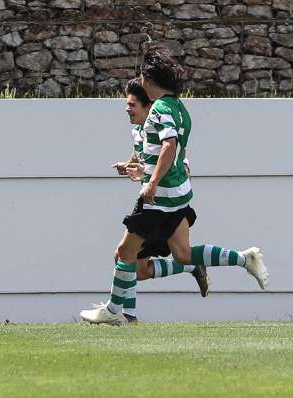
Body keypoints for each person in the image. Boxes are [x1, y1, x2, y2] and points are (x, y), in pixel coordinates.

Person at [81, 46, 269, 326]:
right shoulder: (180, 107)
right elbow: (170, 149)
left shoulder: (160, 108)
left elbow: (170, 145)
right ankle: (245, 258)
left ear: (150, 79)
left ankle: (116, 312)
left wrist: (152, 182)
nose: (141, 82)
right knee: (181, 254)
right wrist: (143, 168)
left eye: (143, 77)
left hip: (162, 197)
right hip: (179, 196)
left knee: (124, 253)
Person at [111, 78, 209, 324]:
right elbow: (142, 158)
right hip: (154, 201)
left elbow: (175, 156)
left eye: (132, 104)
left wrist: (155, 180)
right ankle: (191, 268)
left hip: (162, 205)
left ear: (148, 107)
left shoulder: (162, 121)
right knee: (142, 270)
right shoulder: (137, 131)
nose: (127, 109)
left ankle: (125, 317)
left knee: (123, 255)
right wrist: (129, 167)